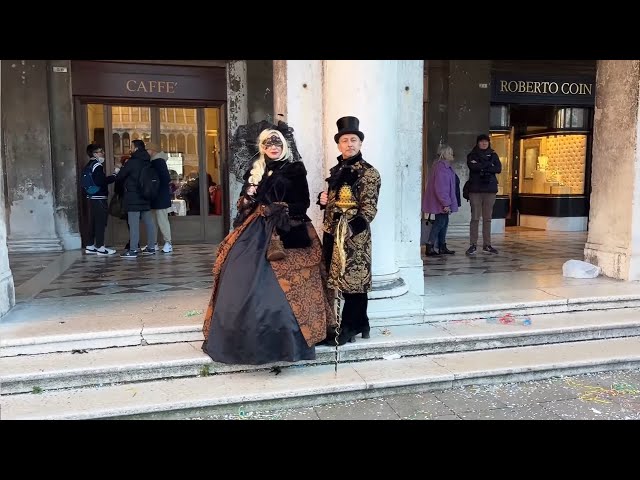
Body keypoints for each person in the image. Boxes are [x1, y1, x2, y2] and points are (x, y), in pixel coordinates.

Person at [201, 124, 333, 365]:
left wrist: (280, 208)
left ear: (284, 146)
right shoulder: (256, 171)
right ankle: (240, 340)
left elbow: (302, 203)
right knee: (237, 274)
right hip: (255, 230)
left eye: (277, 144)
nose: (273, 148)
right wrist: (249, 195)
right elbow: (243, 208)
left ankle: (286, 342)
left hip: (287, 230)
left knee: (283, 287)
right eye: (268, 144)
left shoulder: (294, 169)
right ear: (262, 148)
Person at [318, 116, 381, 345]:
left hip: (354, 237)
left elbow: (369, 209)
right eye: (345, 140)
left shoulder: (369, 173)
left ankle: (351, 326)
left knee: (353, 282)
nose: (349, 144)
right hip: (331, 233)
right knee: (335, 280)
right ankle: (359, 323)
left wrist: (349, 231)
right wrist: (324, 201)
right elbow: (336, 201)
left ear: (360, 143)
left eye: (353, 140)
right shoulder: (337, 169)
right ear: (339, 144)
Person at [115, 139, 157, 258]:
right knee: (149, 223)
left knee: (133, 224)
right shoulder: (147, 161)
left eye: (132, 147)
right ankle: (151, 247)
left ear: (136, 148)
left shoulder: (132, 162)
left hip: (133, 196)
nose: (130, 149)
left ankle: (133, 250)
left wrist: (119, 170)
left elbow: (120, 177)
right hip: (146, 195)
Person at [465, 134, 501, 255]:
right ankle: (473, 244)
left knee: (487, 219)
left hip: (490, 190)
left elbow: (498, 168)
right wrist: (488, 165)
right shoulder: (472, 155)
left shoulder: (494, 154)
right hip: (475, 190)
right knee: (475, 218)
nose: (484, 144)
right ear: (478, 143)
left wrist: (482, 166)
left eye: (486, 141)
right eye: (481, 142)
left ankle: (487, 244)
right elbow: (473, 167)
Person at [422, 144, 459, 256]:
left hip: (441, 201)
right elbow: (441, 187)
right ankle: (430, 245)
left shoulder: (443, 166)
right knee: (440, 222)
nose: (452, 154)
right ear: (444, 154)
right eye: (449, 152)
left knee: (444, 222)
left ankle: (441, 245)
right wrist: (446, 203)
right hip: (441, 202)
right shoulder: (442, 167)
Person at [83, 143, 117, 256]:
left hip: (91, 197)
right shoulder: (97, 165)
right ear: (94, 154)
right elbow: (100, 181)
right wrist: (114, 175)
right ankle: (101, 247)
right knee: (100, 223)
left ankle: (90, 245)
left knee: (93, 222)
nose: (102, 153)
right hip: (99, 197)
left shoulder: (88, 165)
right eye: (100, 151)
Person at [145, 143, 173, 253]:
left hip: (160, 196)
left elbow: (166, 178)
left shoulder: (159, 161)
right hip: (155, 196)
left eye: (147, 150)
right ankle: (154, 243)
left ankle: (168, 243)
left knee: (162, 220)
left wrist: (154, 185)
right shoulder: (153, 162)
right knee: (153, 221)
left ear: (152, 150)